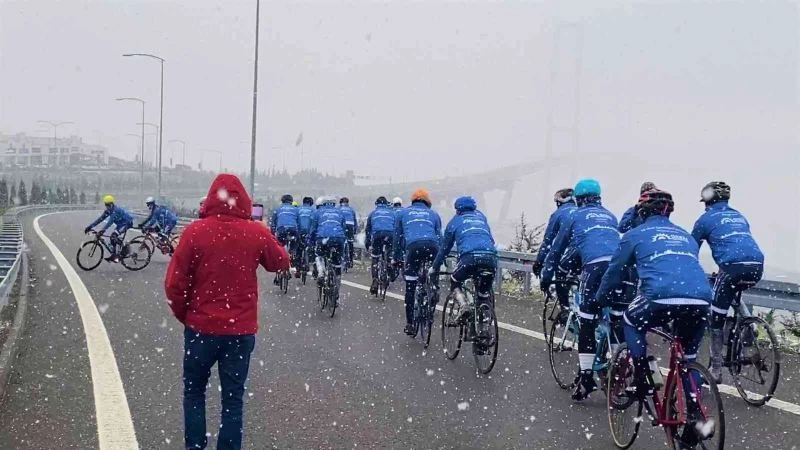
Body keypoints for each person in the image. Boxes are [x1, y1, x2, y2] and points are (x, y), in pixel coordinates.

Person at [165, 173, 289, 450]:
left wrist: (187, 316)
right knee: (233, 400)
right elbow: (280, 262)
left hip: (200, 330)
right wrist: (266, 232)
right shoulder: (255, 232)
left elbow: (174, 284)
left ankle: (195, 446)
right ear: (244, 200)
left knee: (194, 392)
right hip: (240, 332)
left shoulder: (195, 232)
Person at [597, 189, 714, 445]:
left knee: (630, 319)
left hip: (660, 296)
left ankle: (641, 378)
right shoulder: (685, 236)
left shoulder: (634, 234)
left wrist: (601, 297)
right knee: (687, 356)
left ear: (642, 212)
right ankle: (695, 414)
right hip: (701, 298)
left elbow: (614, 272)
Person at [540, 179, 620, 400]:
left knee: (587, 320)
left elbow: (556, 249)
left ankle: (586, 379)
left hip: (595, 267)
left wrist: (547, 277)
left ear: (579, 198)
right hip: (622, 269)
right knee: (616, 318)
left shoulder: (575, 215)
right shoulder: (610, 216)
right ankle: (621, 364)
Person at [691, 181, 764, 382]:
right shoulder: (739, 215)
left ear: (707, 200)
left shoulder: (705, 219)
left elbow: (689, 252)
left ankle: (716, 371)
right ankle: (750, 325)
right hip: (756, 264)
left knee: (716, 318)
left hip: (732, 266)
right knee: (733, 291)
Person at [431, 196, 497, 341]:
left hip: (469, 258)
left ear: (457, 209)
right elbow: (490, 240)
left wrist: (435, 267)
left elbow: (444, 249)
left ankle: (463, 305)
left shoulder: (455, 221)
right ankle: (484, 328)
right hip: (490, 258)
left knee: (455, 281)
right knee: (483, 294)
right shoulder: (481, 217)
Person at [394, 189, 442, 335]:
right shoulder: (434, 214)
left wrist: (396, 257)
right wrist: (440, 259)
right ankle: (433, 290)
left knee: (411, 284)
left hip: (413, 247)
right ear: (428, 202)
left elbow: (398, 237)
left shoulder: (403, 213)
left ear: (413, 201)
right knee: (432, 271)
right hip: (432, 246)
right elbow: (440, 237)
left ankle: (410, 324)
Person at [533, 188, 577, 309]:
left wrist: (540, 263)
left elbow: (549, 242)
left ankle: (565, 309)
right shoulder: (581, 211)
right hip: (589, 256)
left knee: (561, 274)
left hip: (571, 254)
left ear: (559, 202)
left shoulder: (558, 214)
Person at [617, 182, 657, 305]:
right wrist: (635, 210)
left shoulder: (658, 213)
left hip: (650, 255)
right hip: (635, 256)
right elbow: (622, 227)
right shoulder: (633, 211)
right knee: (630, 287)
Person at [308, 196, 348, 296]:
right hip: (338, 238)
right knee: (337, 263)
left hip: (323, 238)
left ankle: (321, 273)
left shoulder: (317, 212)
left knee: (319, 255)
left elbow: (313, 230)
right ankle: (336, 293)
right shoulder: (340, 212)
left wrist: (310, 242)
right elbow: (344, 228)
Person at [84, 195, 134, 263]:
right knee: (112, 238)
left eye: (108, 204)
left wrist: (102, 230)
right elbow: (100, 219)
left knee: (113, 237)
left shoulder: (115, 211)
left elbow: (110, 222)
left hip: (127, 223)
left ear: (111, 204)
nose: (106, 206)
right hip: (120, 224)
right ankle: (115, 254)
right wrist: (90, 226)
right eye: (105, 204)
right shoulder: (108, 210)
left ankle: (123, 252)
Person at [365, 196, 396, 294]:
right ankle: (390, 264)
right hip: (390, 234)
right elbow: (396, 227)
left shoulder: (373, 213)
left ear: (376, 204)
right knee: (389, 251)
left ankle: (375, 281)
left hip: (377, 235)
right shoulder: (392, 213)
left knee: (375, 258)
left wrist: (368, 243)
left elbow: (368, 230)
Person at [270, 194, 300, 282]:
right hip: (293, 230)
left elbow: (273, 224)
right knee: (295, 244)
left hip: (281, 230)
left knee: (279, 248)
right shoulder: (296, 209)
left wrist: (273, 234)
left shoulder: (278, 209)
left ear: (282, 201)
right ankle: (292, 256)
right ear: (291, 201)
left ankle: (278, 272)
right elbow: (299, 224)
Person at [297, 197, 316, 275]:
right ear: (311, 203)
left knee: (298, 248)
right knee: (312, 248)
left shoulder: (298, 209)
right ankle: (313, 265)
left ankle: (298, 267)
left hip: (299, 231)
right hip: (309, 231)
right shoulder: (313, 210)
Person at [338, 197, 358, 267]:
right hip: (350, 225)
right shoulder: (351, 209)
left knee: (340, 242)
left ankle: (340, 258)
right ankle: (351, 260)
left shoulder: (338, 209)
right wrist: (355, 230)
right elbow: (355, 220)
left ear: (340, 203)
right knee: (350, 242)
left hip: (342, 225)